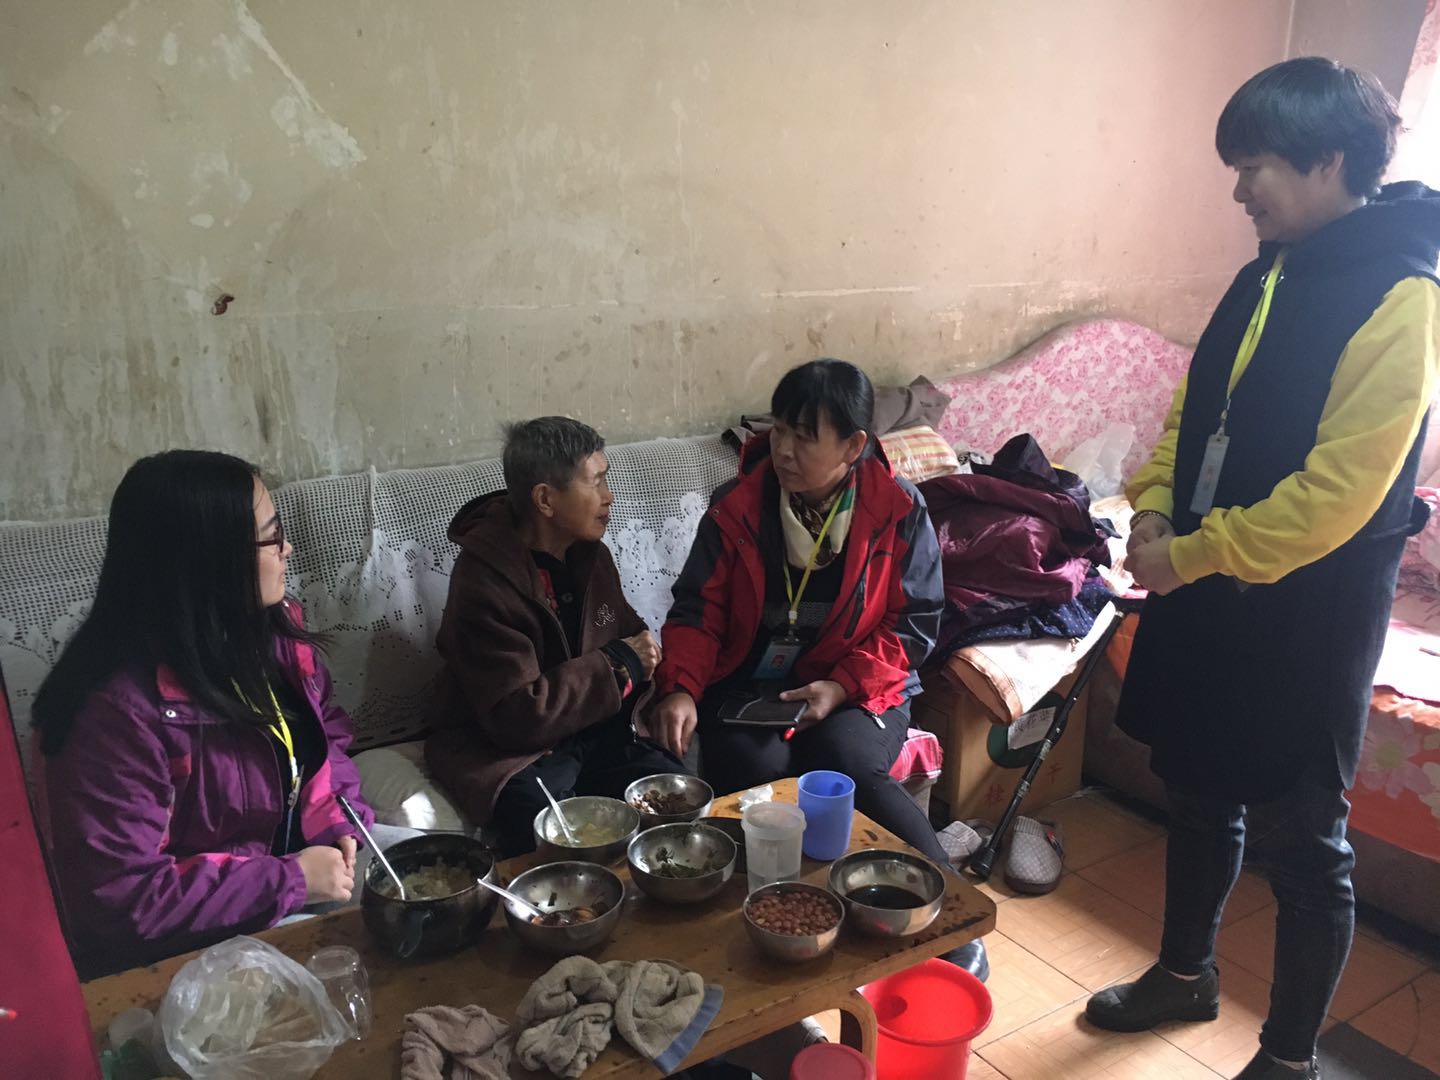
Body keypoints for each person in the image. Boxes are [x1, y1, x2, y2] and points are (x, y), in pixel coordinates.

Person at [1086, 58, 1439, 1080]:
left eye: (1256, 167)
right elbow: (1195, 411)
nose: (1239, 190)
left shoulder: (1402, 294)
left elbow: (1339, 496)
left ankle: (1288, 1059)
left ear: (1329, 161)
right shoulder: (1270, 268)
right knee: (1197, 792)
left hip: (1306, 615)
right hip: (1208, 591)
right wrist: (1157, 505)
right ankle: (1184, 974)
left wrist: (1190, 556)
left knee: (1304, 843)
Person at [647, 360, 991, 979]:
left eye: (805, 436)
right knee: (753, 767)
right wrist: (681, 689)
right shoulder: (737, 506)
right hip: (752, 684)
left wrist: (841, 686)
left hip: (857, 681)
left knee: (844, 760)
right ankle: (789, 923)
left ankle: (950, 910)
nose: (783, 449)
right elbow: (698, 610)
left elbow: (913, 623)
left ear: (854, 446)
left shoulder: (898, 509)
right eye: (779, 429)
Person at [35, 451, 376, 977]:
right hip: (204, 932)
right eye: (272, 535)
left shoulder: (270, 635)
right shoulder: (114, 714)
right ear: (212, 560)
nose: (287, 548)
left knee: (449, 887)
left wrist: (337, 821)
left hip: (296, 865)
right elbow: (123, 902)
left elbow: (325, 736)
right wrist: (290, 880)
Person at [425, 417, 686, 857]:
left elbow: (633, 635)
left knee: (675, 797)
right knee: (547, 826)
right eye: (596, 482)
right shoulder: (483, 580)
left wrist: (659, 683)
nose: (609, 496)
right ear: (545, 499)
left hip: (592, 732)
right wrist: (619, 663)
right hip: (511, 750)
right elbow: (516, 716)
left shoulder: (591, 556)